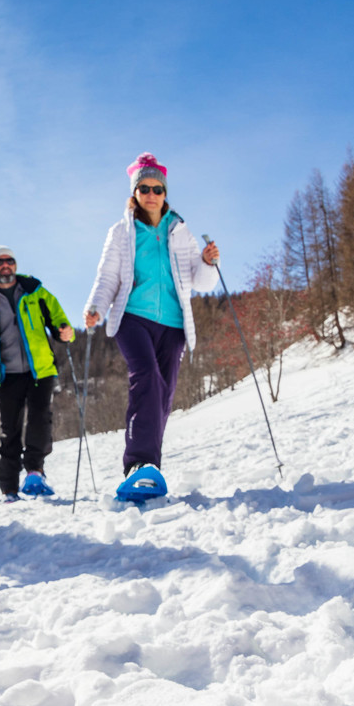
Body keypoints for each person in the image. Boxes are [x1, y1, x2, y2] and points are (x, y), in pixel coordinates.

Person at [83, 153, 221, 502]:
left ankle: (149, 471)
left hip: (173, 324)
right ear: (135, 192)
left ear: (165, 193)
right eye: (143, 188)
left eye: (157, 188)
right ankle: (137, 464)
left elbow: (201, 282)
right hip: (133, 317)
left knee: (164, 393)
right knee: (145, 377)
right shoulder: (122, 232)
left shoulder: (180, 230)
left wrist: (208, 262)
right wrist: (96, 307)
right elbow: (108, 276)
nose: (151, 194)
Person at [0, 245, 74, 501]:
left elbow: (58, 319)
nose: (5, 265)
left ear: (15, 265)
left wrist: (63, 330)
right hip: (6, 374)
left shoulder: (37, 293)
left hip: (40, 370)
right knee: (9, 430)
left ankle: (35, 471)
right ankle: (8, 487)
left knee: (40, 420)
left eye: (9, 261)